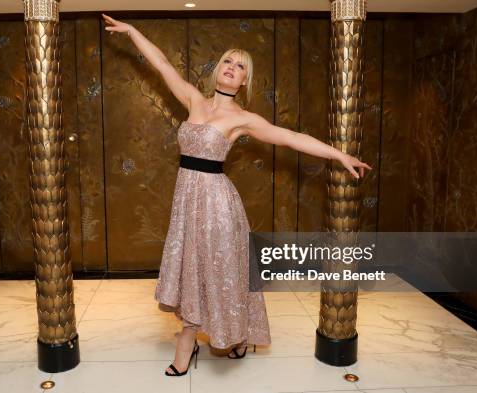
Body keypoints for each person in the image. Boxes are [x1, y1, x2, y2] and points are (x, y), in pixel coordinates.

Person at [101, 14, 372, 376]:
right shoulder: (193, 99)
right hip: (187, 204)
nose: (232, 67)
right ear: (218, 71)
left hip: (217, 206)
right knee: (194, 270)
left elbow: (292, 138)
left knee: (221, 272)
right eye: (227, 61)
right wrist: (133, 31)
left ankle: (191, 339)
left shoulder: (244, 118)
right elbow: (162, 63)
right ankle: (223, 335)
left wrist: (339, 154)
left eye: (240, 66)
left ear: (245, 81)